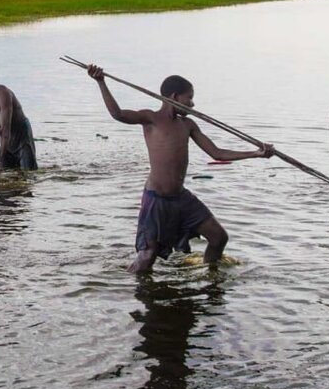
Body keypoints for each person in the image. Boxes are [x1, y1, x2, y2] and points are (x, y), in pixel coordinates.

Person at [86, 64, 272, 273]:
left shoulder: (188, 125)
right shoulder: (151, 118)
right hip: (156, 199)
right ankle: (127, 290)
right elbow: (118, 114)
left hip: (181, 198)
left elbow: (217, 153)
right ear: (174, 96)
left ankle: (211, 281)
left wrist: (256, 153)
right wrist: (101, 82)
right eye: (189, 98)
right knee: (147, 257)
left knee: (219, 237)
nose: (192, 103)